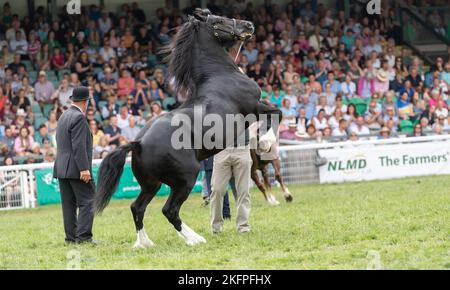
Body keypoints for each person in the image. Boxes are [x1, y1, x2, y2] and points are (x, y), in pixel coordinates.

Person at [53, 86, 95, 245]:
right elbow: (78, 146)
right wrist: (84, 169)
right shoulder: (79, 118)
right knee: (89, 200)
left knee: (68, 205)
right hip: (76, 168)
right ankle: (84, 238)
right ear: (86, 102)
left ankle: (71, 239)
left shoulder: (63, 116)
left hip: (62, 167)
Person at [210, 139, 252, 234]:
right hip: (221, 149)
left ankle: (243, 227)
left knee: (244, 191)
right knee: (216, 189)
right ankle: (216, 228)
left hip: (242, 148)